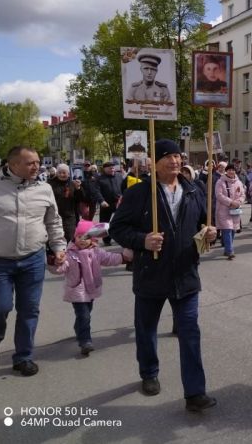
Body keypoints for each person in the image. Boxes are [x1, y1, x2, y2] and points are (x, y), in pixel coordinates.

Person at [109, 139, 218, 411]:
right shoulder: (139, 193)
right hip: (151, 274)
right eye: (167, 157)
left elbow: (203, 224)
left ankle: (195, 393)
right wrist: (142, 240)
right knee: (146, 330)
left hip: (186, 275)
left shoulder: (194, 189)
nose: (175, 161)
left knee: (190, 333)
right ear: (153, 162)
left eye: (178, 157)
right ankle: (149, 373)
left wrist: (210, 234)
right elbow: (117, 228)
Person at [0, 146, 67, 376]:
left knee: (30, 309)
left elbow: (53, 221)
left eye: (37, 162)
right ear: (13, 164)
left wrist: (58, 247)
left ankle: (24, 356)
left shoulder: (44, 188)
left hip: (33, 259)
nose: (37, 166)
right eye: (30, 163)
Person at [47, 220, 133, 356]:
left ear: (92, 239)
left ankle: (79, 328)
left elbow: (109, 258)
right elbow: (61, 268)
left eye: (86, 237)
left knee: (86, 313)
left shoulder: (96, 252)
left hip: (91, 288)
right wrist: (54, 263)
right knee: (84, 316)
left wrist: (123, 258)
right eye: (79, 236)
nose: (82, 240)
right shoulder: (69, 254)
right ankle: (85, 341)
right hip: (77, 290)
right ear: (74, 237)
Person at [215, 164, 245, 260]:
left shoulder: (238, 182)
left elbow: (242, 194)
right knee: (227, 229)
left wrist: (239, 202)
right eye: (229, 170)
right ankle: (230, 251)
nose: (231, 172)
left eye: (233, 170)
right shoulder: (220, 182)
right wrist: (230, 202)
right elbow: (219, 195)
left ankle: (227, 249)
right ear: (226, 171)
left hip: (235, 210)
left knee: (232, 230)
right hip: (223, 209)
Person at [48, 163, 85, 241]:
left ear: (68, 173)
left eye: (64, 172)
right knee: (55, 238)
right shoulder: (50, 183)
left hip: (70, 216)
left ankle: (68, 252)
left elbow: (81, 198)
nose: (62, 174)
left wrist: (78, 188)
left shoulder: (73, 183)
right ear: (56, 173)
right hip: (54, 215)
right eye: (59, 172)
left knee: (69, 237)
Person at [96, 162, 123, 245]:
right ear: (104, 169)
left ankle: (120, 238)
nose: (112, 169)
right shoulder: (99, 178)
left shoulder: (119, 176)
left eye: (113, 167)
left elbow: (123, 187)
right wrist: (101, 201)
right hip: (106, 203)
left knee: (120, 221)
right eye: (110, 168)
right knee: (105, 223)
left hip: (118, 202)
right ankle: (106, 240)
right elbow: (97, 191)